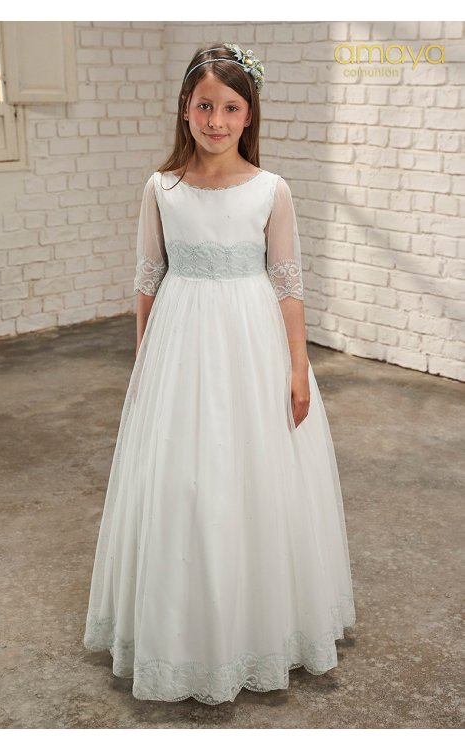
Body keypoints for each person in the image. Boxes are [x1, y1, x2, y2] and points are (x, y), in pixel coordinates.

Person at [83, 42, 356, 705]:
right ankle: (183, 631)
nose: (216, 121)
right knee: (182, 478)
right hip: (179, 342)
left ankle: (259, 625)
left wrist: (299, 367)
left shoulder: (271, 190)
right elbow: (148, 280)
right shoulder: (162, 189)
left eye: (231, 108)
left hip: (251, 342)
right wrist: (144, 362)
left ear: (248, 115)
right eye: (205, 106)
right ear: (185, 109)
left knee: (253, 474)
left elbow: (288, 286)